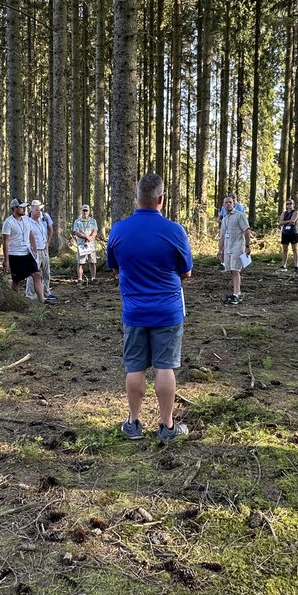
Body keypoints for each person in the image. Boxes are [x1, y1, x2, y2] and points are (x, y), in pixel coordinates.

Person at [107, 173, 194, 442]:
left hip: (134, 310)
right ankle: (167, 427)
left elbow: (114, 265)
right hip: (168, 310)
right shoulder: (174, 230)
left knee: (135, 367)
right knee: (165, 367)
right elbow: (187, 272)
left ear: (137, 198)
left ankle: (133, 423)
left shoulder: (119, 230)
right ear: (161, 199)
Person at [1, 197, 44, 299]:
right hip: (14, 255)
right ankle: (16, 300)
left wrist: (34, 249)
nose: (24, 209)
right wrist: (6, 260)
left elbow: (31, 234)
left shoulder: (27, 220)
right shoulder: (8, 222)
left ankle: (42, 300)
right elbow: (6, 241)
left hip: (27, 253)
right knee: (16, 280)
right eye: (21, 207)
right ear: (15, 208)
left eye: (24, 207)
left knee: (37, 275)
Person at [218, 194, 252, 304]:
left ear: (234, 204)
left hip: (238, 246)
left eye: (230, 202)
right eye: (226, 203)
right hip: (228, 247)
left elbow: (246, 231)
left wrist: (247, 246)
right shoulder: (224, 219)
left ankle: (237, 293)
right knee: (232, 270)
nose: (228, 204)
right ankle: (236, 292)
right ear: (223, 205)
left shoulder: (240, 215)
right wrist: (220, 250)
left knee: (236, 270)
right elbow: (222, 236)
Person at [25, 201, 58, 303]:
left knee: (46, 272)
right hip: (35, 251)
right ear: (31, 211)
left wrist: (47, 243)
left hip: (44, 249)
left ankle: (46, 291)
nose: (39, 212)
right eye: (36, 210)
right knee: (33, 273)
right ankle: (30, 294)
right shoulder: (28, 222)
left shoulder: (42, 220)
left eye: (40, 210)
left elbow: (48, 231)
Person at [72, 203, 99, 284]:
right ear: (81, 211)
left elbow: (95, 231)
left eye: (86, 210)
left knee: (92, 261)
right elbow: (76, 232)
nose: (85, 212)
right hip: (81, 245)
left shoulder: (93, 221)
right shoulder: (77, 221)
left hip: (91, 244)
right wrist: (86, 237)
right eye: (84, 210)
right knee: (81, 262)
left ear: (89, 211)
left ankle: (93, 278)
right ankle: (80, 279)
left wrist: (90, 238)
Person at [279, 199, 298, 270]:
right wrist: (288, 221)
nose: (289, 205)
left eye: (290, 203)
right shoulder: (284, 213)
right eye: (287, 204)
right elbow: (280, 223)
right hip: (285, 233)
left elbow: (293, 221)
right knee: (285, 249)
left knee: (295, 249)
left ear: (293, 204)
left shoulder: (295, 212)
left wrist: (284, 222)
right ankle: (284, 265)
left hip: (293, 233)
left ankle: (296, 266)